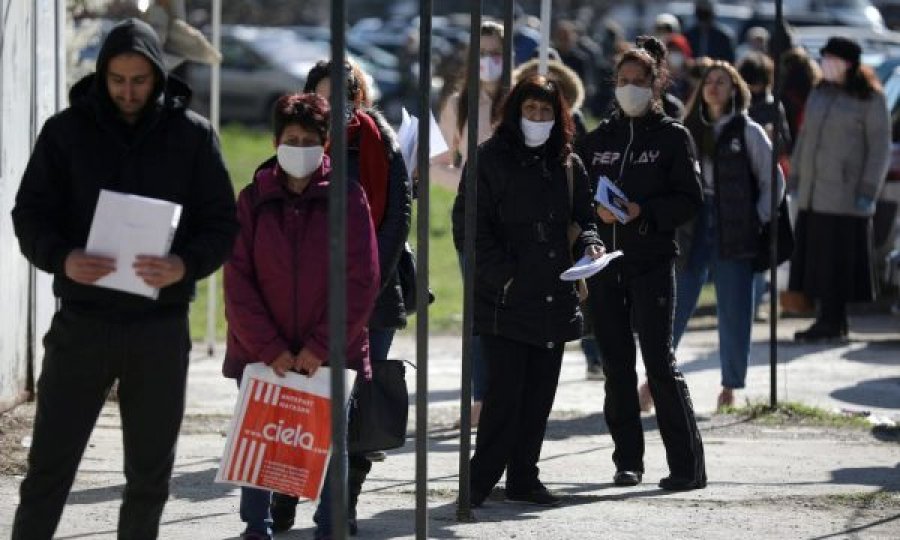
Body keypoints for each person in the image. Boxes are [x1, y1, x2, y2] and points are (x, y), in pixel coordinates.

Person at [10, 18, 238, 539]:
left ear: (158, 76)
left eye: (139, 80)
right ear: (102, 75)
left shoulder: (193, 136)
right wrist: (62, 257)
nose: (128, 92)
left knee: (149, 476)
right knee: (48, 469)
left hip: (158, 327)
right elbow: (29, 215)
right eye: (117, 80)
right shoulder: (65, 133)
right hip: (81, 324)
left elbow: (223, 223)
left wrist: (185, 264)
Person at [223, 92, 379, 540]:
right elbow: (238, 281)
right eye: (291, 138)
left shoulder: (349, 197)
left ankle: (329, 526)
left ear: (325, 143)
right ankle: (257, 526)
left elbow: (361, 278)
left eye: (309, 139)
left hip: (329, 351)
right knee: (260, 439)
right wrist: (271, 349)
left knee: (331, 444)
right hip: (261, 351)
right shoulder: (253, 198)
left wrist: (319, 347)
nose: (300, 146)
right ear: (276, 141)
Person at [287, 59, 412, 536]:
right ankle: (284, 496)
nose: (333, 106)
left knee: (354, 408)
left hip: (372, 298)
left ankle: (345, 503)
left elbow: (395, 222)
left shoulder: (383, 143)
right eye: (322, 96)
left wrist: (361, 286)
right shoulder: (297, 145)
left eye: (344, 95)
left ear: (360, 98)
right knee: (300, 400)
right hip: (305, 299)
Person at [466, 74, 604, 507]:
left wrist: (591, 245)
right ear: (515, 112)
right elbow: (469, 228)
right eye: (530, 110)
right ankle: (478, 482)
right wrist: (504, 277)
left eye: (546, 111)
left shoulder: (568, 163)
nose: (538, 118)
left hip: (555, 296)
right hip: (505, 301)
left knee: (539, 397)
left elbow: (586, 217)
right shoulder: (488, 160)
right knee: (504, 397)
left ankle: (524, 477)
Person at [576, 36, 707, 491]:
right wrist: (596, 215)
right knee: (616, 365)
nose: (630, 88)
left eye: (640, 81)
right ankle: (627, 461)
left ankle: (688, 466)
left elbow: (689, 199)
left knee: (658, 361)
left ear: (656, 84)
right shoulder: (598, 140)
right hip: (605, 265)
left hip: (651, 261)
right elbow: (580, 199)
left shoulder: (672, 136)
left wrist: (642, 211)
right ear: (613, 85)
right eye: (623, 81)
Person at [669, 60, 785, 410]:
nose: (715, 87)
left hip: (734, 224)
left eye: (723, 82)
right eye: (710, 82)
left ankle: (730, 386)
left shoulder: (747, 131)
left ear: (735, 89)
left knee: (735, 308)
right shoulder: (686, 130)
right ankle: (656, 376)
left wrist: (758, 218)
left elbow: (773, 181)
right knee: (676, 302)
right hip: (693, 223)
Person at [788, 37, 891, 342]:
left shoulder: (869, 99)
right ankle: (826, 318)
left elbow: (879, 148)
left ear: (849, 63)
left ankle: (833, 320)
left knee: (837, 261)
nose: (826, 64)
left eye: (833, 59)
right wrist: (796, 175)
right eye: (824, 58)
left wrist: (868, 190)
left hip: (845, 195)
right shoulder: (820, 92)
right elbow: (806, 137)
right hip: (813, 192)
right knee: (817, 259)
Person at [442, 20, 506, 428]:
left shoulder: (522, 99)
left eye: (495, 53)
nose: (488, 62)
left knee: (512, 308)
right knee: (479, 310)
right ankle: (479, 397)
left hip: (518, 219)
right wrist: (470, 181)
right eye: (481, 54)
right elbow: (435, 164)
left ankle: (508, 392)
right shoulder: (458, 104)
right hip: (473, 218)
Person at [738, 51, 793, 320]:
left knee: (762, 247)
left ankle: (757, 300)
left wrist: (773, 137)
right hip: (739, 184)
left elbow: (786, 143)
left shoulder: (773, 106)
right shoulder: (738, 106)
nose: (753, 88)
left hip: (767, 182)